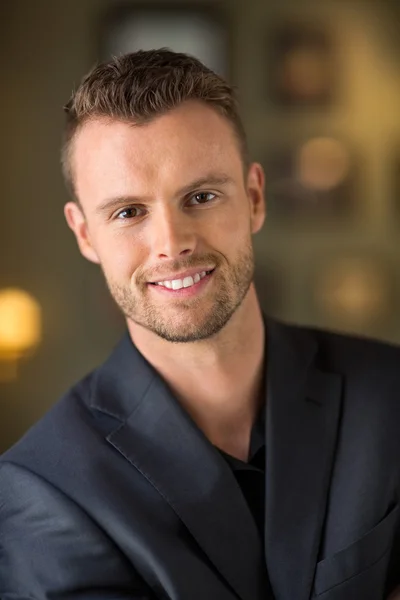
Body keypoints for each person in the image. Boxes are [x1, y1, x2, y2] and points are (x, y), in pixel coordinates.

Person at [0, 49, 399, 600]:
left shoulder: (390, 393)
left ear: (255, 197)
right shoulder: (42, 488)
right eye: (128, 212)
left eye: (202, 196)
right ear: (85, 234)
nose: (172, 243)